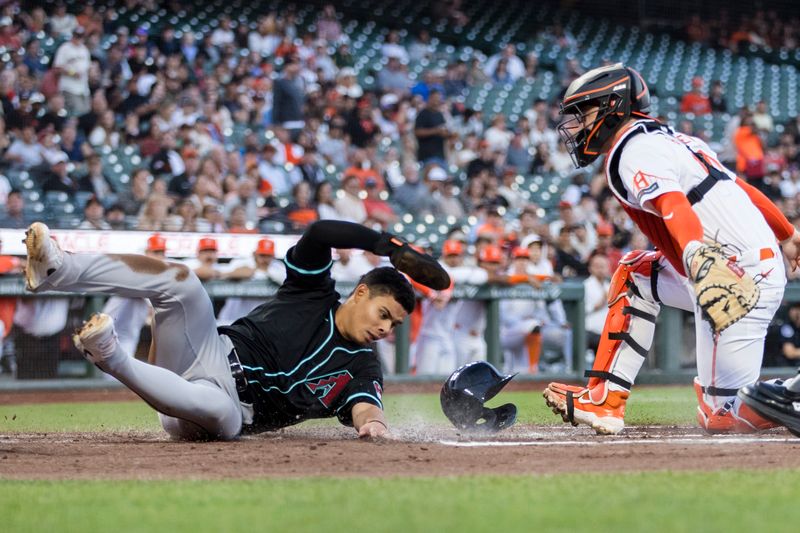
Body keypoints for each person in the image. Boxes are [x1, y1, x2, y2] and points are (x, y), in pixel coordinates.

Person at [544, 63, 800, 435]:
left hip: (730, 273)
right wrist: (787, 233)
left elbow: (673, 204)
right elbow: (741, 189)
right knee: (636, 274)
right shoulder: (673, 139)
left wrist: (695, 251)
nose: (578, 125)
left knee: (724, 418)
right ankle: (605, 400)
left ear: (613, 105)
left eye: (584, 113)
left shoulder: (633, 149)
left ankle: (792, 394)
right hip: (739, 265)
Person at [25, 220, 447, 440]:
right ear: (360, 293)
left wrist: (373, 425)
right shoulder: (312, 292)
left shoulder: (364, 366)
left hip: (224, 411)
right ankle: (60, 267)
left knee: (220, 413)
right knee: (183, 282)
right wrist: (388, 246)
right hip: (207, 349)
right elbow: (319, 233)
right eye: (384, 312)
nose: (386, 328)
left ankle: (110, 355)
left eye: (394, 323)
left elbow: (366, 407)